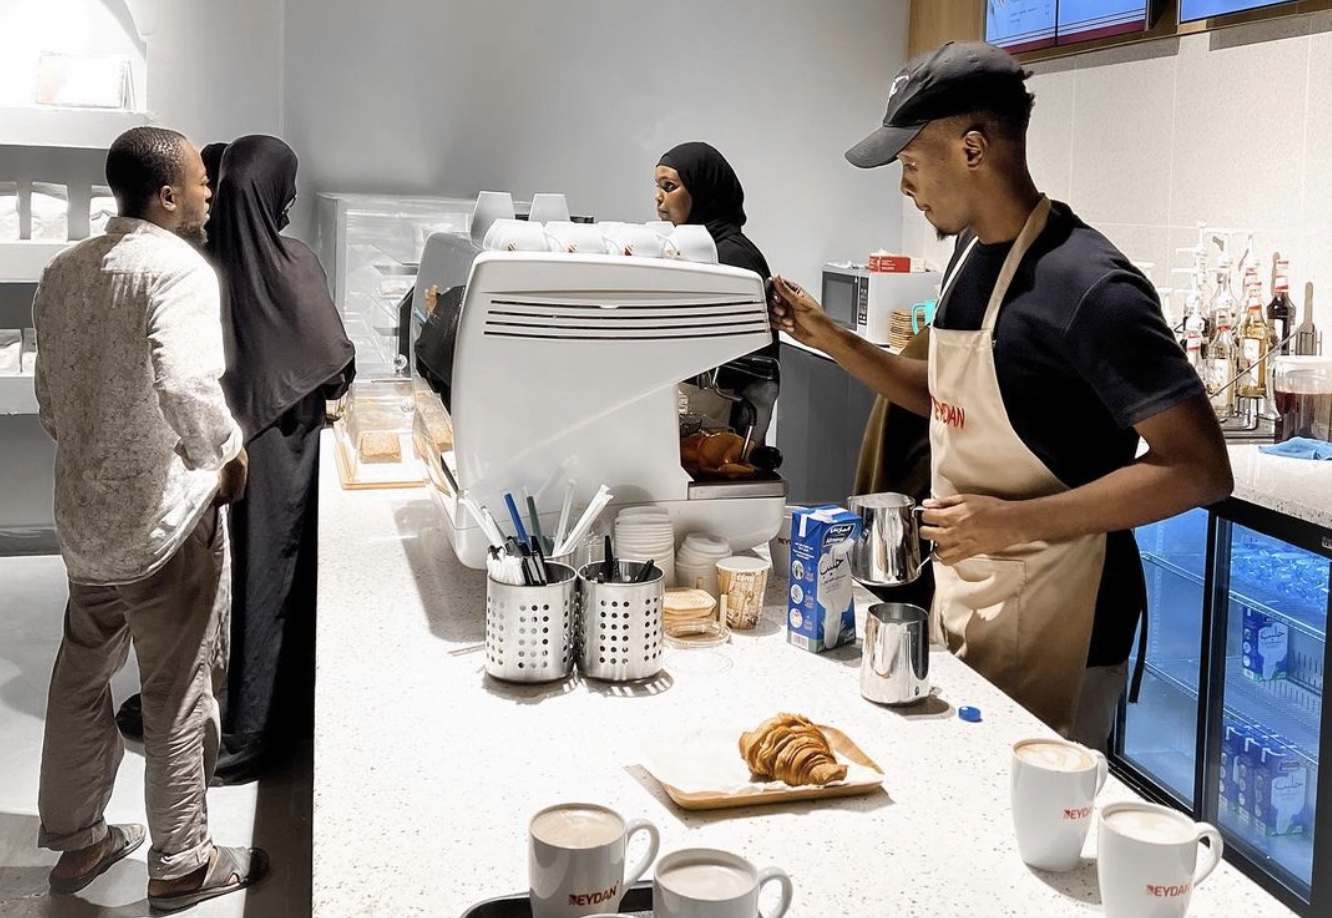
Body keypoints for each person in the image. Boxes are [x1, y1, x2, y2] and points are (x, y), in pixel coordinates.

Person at [769, 42, 1233, 749]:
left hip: (1069, 616)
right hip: (974, 591)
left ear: (974, 148)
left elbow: (1199, 469)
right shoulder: (969, 257)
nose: (905, 184)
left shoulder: (1089, 288)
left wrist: (1012, 524)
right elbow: (942, 396)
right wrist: (828, 334)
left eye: (911, 162)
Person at [32, 125, 267, 909]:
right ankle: (182, 861)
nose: (209, 193)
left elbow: (52, 404)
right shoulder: (178, 270)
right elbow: (188, 385)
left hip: (87, 522)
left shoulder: (63, 273)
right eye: (202, 181)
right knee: (176, 686)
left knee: (79, 676)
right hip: (166, 525)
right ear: (167, 195)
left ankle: (75, 843)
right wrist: (226, 455)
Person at [206, 134, 355, 784]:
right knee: (278, 581)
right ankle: (263, 729)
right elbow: (337, 365)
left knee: (229, 590)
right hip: (283, 453)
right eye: (287, 188)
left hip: (219, 453)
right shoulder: (294, 262)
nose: (291, 203)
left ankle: (228, 718)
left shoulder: (204, 267)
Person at [656, 142, 779, 445]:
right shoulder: (695, 247)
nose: (659, 197)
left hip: (727, 420)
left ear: (703, 189)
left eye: (669, 186)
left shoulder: (730, 255)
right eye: (658, 186)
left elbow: (751, 358)